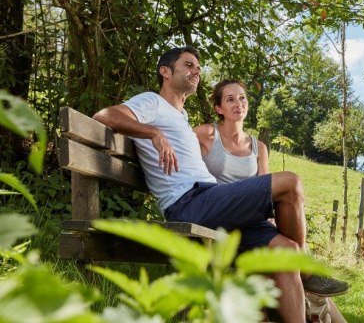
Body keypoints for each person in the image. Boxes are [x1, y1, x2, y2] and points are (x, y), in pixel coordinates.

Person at [93, 47, 348, 323]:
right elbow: (104, 116)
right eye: (188, 65)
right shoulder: (152, 102)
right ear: (165, 72)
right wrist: (153, 133)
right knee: (291, 183)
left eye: (198, 67)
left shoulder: (181, 117)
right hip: (188, 204)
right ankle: (308, 275)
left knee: (287, 249)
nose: (196, 70)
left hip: (209, 198)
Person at [194, 79, 346, 323]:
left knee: (290, 249)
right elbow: (178, 146)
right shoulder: (205, 134)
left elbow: (265, 191)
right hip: (219, 215)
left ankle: (310, 289)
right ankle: (309, 279)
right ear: (219, 108)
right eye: (230, 99)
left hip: (251, 222)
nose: (238, 103)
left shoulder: (259, 147)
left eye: (242, 98)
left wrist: (272, 220)